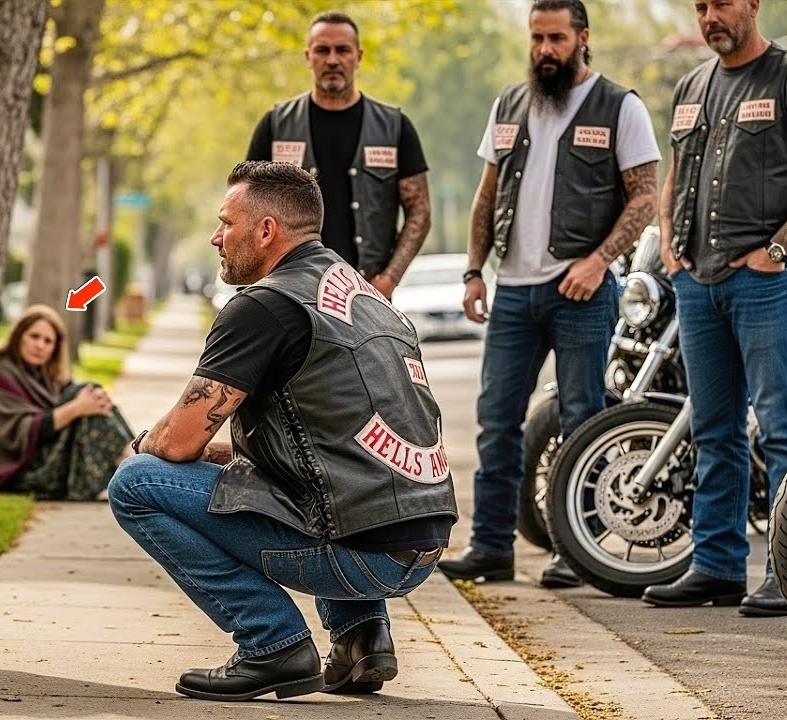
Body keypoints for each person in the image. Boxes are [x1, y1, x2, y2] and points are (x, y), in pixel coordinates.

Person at [107, 161, 457, 702]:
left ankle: (272, 644)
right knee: (290, 483)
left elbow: (177, 442)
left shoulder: (264, 307)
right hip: (421, 542)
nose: (215, 237)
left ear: (266, 230)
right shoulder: (364, 299)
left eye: (226, 222)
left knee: (137, 482)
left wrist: (139, 444)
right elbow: (329, 436)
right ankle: (362, 637)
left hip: (361, 553)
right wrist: (227, 455)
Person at [438, 0, 660, 589]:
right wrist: (473, 271)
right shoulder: (509, 104)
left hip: (581, 291)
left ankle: (575, 549)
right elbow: (486, 196)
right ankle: (490, 547)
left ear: (582, 38)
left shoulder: (621, 106)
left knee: (582, 418)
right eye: (536, 38)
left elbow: (645, 199)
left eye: (556, 38)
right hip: (511, 290)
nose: (545, 50)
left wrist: (597, 262)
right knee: (497, 420)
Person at [642, 0, 787, 617]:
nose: (709, 16)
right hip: (696, 283)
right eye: (700, 6)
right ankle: (718, 565)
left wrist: (778, 248)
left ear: (753, 4)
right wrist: (669, 239)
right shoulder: (691, 84)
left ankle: (785, 571)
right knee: (713, 430)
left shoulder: (783, 75)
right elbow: (676, 169)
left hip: (765, 281)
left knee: (781, 429)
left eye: (722, 2)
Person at [245, 11, 431, 299]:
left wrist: (390, 278)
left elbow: (420, 211)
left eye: (342, 50)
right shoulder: (276, 126)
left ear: (358, 56)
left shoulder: (394, 128)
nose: (332, 59)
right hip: (291, 290)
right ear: (308, 56)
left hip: (367, 292)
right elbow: (247, 207)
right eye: (322, 50)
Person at [0, 304, 134, 500]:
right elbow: (21, 433)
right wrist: (77, 408)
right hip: (24, 472)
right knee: (85, 392)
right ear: (19, 336)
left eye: (48, 341)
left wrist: (84, 405)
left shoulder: (50, 377)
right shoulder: (3, 374)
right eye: (34, 336)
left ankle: (129, 459)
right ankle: (129, 464)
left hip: (53, 459)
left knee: (91, 392)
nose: (40, 346)